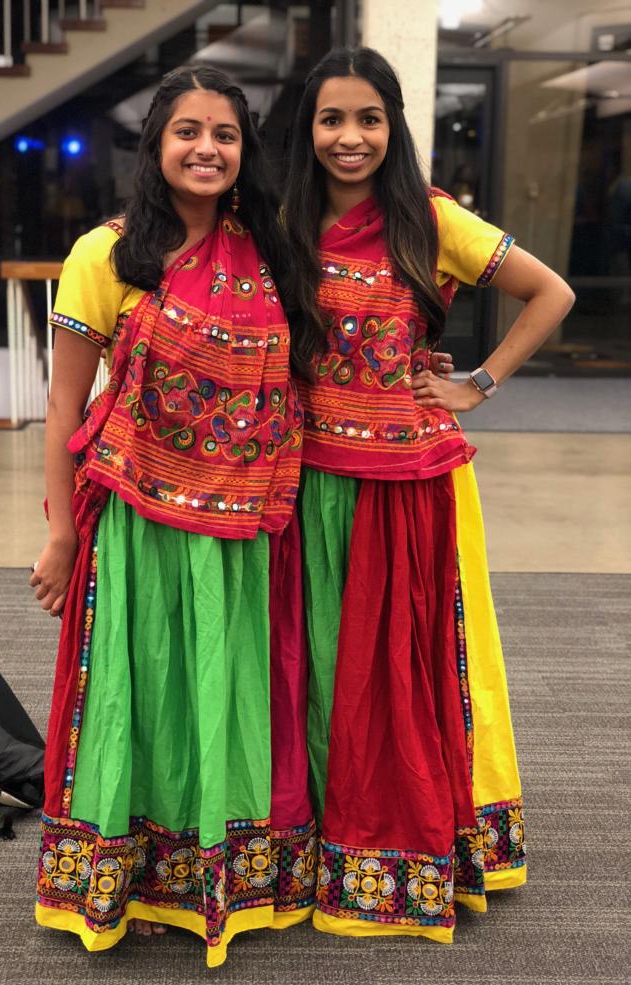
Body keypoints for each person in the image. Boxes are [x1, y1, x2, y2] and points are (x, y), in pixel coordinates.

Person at [282, 47, 575, 942]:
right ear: (308, 129)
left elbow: (549, 292)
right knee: (319, 660)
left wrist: (476, 381)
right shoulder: (278, 220)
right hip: (302, 476)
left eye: (369, 118)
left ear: (392, 126)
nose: (349, 137)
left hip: (412, 482)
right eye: (332, 119)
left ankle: (415, 838)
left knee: (409, 661)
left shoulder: (429, 217)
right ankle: (319, 840)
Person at [30, 65, 320, 968]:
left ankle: (219, 877)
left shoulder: (272, 251)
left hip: (244, 531)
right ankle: (130, 878)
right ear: (156, 145)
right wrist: (59, 533)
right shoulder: (105, 254)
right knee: (140, 696)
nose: (207, 148)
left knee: (226, 696)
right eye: (187, 131)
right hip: (139, 525)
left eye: (225, 134)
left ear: (245, 150)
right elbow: (66, 412)